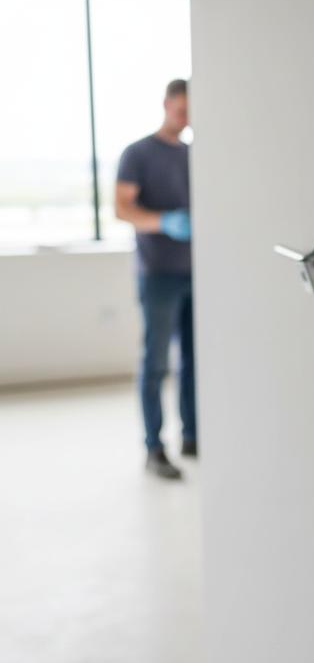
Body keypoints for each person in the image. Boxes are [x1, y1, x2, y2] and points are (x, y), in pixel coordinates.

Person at [115, 78, 195, 479]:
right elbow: (122, 208)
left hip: (196, 274)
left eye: (192, 112)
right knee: (157, 362)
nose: (186, 118)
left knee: (195, 361)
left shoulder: (195, 155)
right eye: (181, 110)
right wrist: (163, 222)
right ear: (166, 104)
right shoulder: (138, 153)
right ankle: (154, 447)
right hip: (157, 274)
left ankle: (193, 436)